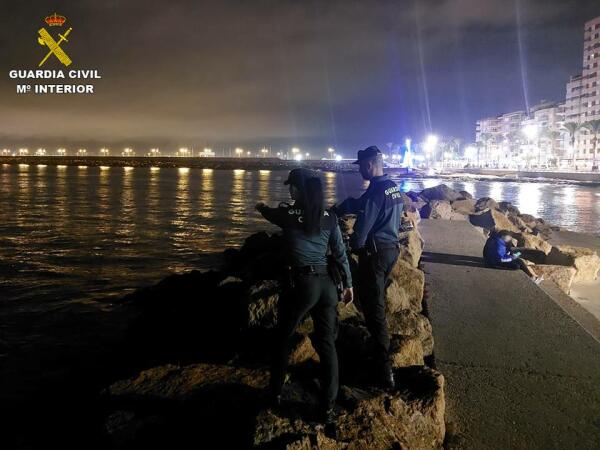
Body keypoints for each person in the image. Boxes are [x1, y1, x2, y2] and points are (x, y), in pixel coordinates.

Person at [255, 168, 353, 422]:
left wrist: (261, 206)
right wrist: (349, 285)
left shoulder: (288, 214)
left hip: (302, 285)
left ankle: (275, 393)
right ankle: (328, 408)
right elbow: (340, 254)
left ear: (296, 190)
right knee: (327, 345)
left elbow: (270, 213)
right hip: (328, 286)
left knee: (282, 339)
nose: (289, 190)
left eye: (291, 187)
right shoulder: (330, 217)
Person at [334, 146, 404, 389]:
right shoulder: (392, 187)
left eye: (360, 166)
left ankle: (384, 371)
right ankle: (378, 348)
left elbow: (361, 232)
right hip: (391, 250)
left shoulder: (376, 191)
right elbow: (359, 203)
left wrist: (350, 247)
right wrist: (338, 208)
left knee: (374, 308)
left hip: (375, 254)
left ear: (369, 165)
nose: (359, 171)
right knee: (376, 300)